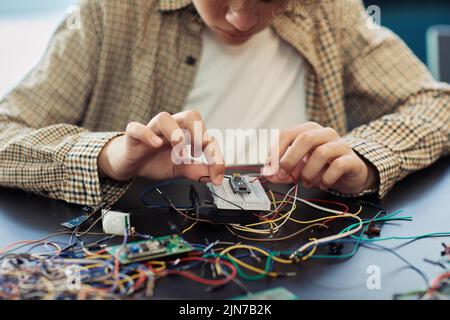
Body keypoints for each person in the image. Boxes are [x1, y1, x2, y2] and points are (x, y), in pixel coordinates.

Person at [0, 0, 448, 207]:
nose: (241, 18)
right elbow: (5, 134)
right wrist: (110, 155)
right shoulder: (107, 12)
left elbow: (437, 104)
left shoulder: (329, 10)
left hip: (308, 253)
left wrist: (364, 157)